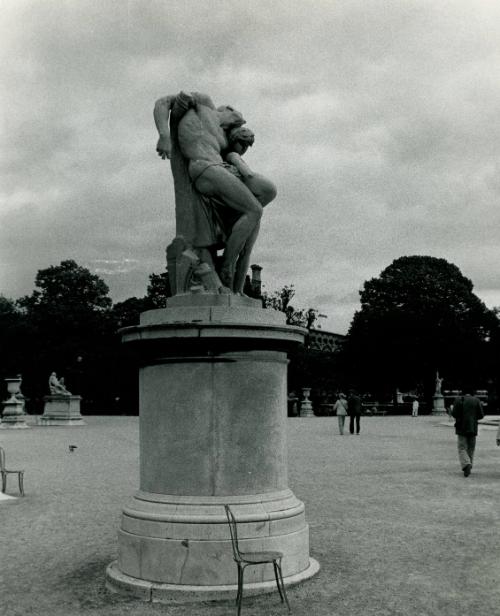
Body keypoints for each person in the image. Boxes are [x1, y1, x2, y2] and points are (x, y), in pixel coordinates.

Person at [154, 91, 276, 294]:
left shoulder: (224, 138)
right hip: (203, 167)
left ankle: (235, 275)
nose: (238, 123)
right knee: (254, 210)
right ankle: (226, 266)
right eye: (237, 119)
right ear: (226, 108)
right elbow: (163, 102)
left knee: (265, 196)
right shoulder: (204, 103)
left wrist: (239, 149)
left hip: (221, 170)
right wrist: (164, 135)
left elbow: (235, 152)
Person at [451, 388, 484, 477]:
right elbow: (481, 415)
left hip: (461, 427)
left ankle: (466, 464)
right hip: (473, 427)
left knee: (462, 447)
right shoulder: (476, 400)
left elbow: (454, 414)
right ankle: (469, 463)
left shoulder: (458, 400)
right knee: (471, 448)